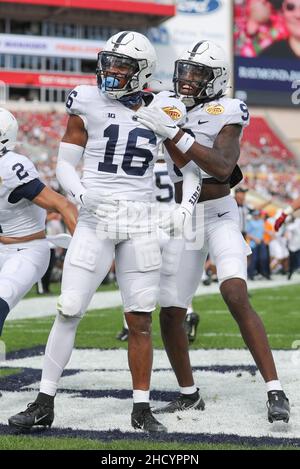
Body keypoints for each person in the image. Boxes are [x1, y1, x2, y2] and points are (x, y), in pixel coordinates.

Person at [8, 31, 201, 433]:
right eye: (108, 62)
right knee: (69, 307)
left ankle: (141, 407)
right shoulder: (86, 100)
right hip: (96, 219)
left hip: (142, 222)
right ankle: (44, 401)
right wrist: (80, 195)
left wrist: (184, 207)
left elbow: (190, 169)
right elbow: (64, 164)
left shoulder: (167, 107)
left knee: (140, 318)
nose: (111, 71)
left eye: (122, 66)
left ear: (142, 71)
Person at [135, 39, 290, 422]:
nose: (187, 80)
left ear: (216, 79)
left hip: (220, 212)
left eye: (197, 73)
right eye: (184, 71)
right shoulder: (165, 102)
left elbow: (221, 166)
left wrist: (174, 132)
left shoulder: (228, 109)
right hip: (181, 216)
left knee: (234, 290)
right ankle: (189, 394)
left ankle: (275, 390)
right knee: (171, 312)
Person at [0, 108, 77, 337]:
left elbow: (63, 205)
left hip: (25, 250)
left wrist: (83, 249)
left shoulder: (12, 167)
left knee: (2, 296)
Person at [116, 159, 200, 343]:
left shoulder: (144, 167)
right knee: (173, 280)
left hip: (151, 227)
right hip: (174, 227)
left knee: (135, 278)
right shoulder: (175, 167)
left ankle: (128, 324)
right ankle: (189, 313)